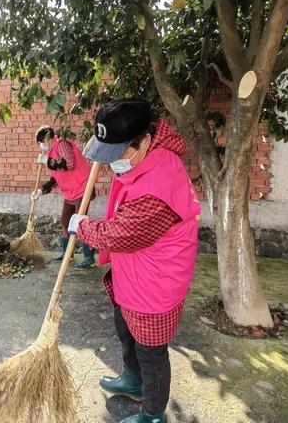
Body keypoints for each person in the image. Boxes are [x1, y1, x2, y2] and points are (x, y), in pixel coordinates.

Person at [68, 99, 200, 423]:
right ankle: (132, 378)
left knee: (152, 352)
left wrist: (83, 226)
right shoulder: (141, 159)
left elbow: (121, 234)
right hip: (134, 272)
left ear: (143, 141)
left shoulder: (158, 186)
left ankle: (154, 413)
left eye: (118, 154)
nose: (113, 163)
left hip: (156, 283)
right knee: (125, 328)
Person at [33, 125, 96, 269]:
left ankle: (88, 256)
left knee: (80, 223)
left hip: (82, 188)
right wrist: (41, 191)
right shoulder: (53, 152)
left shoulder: (61, 144)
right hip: (71, 191)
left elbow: (69, 163)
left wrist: (47, 161)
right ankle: (67, 251)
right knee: (65, 220)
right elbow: (56, 177)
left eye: (41, 142)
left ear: (47, 139)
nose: (41, 146)